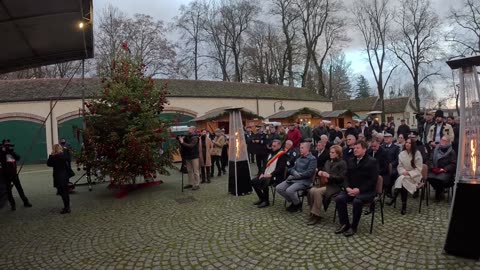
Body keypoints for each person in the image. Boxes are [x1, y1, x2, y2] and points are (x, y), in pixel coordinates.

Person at [334, 141, 379, 237]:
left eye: (357, 148)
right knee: (339, 198)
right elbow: (345, 177)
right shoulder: (351, 160)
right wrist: (347, 188)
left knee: (357, 201)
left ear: (364, 149)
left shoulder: (372, 162)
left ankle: (353, 227)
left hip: (366, 191)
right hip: (351, 189)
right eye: (354, 148)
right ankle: (345, 224)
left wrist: (359, 190)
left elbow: (373, 181)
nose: (355, 150)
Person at [307, 145, 347, 225]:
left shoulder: (342, 163)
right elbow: (323, 170)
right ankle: (313, 212)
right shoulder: (328, 162)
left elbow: (342, 177)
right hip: (325, 183)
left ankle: (316, 215)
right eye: (330, 152)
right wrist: (320, 172)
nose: (330, 154)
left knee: (317, 192)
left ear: (338, 154)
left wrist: (329, 176)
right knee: (311, 190)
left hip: (335, 186)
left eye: (332, 152)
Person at [276, 142, 317, 212]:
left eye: (302, 148)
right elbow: (291, 169)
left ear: (307, 149)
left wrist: (299, 175)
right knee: (279, 188)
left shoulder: (312, 159)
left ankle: (296, 204)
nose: (300, 149)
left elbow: (310, 172)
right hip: (294, 178)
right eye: (300, 148)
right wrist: (294, 172)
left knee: (289, 190)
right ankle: (295, 202)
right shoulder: (299, 157)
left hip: (304, 180)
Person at [387, 138, 423, 214]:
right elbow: (399, 166)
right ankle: (403, 206)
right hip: (404, 175)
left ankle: (394, 197)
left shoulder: (417, 154)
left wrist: (409, 173)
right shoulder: (402, 154)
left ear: (412, 145)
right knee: (403, 181)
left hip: (415, 176)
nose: (407, 144)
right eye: (406, 142)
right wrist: (403, 172)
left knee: (402, 180)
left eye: (410, 143)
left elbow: (419, 169)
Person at [251, 139, 288, 208]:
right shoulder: (271, 153)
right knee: (253, 181)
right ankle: (262, 198)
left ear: (279, 145)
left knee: (264, 181)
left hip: (276, 176)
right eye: (272, 146)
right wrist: (261, 173)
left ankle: (266, 201)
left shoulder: (282, 155)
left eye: (274, 146)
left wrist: (271, 174)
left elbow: (280, 169)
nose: (272, 147)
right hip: (266, 174)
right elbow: (264, 165)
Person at [0, 139, 32, 211]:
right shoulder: (1, 152)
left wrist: (11, 152)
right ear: (3, 145)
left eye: (8, 144)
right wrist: (4, 151)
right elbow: (1, 158)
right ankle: (13, 205)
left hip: (14, 174)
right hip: (5, 175)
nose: (8, 146)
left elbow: (18, 158)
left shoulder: (11, 152)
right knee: (8, 191)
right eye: (6, 145)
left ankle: (25, 202)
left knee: (20, 189)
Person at [428, 136, 456, 201]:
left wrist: (445, 169)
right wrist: (432, 167)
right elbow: (430, 160)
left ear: (448, 142)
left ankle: (438, 193)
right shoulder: (435, 149)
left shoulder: (451, 152)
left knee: (439, 179)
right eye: (442, 140)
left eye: (444, 141)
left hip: (445, 171)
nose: (442, 142)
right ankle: (440, 190)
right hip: (435, 169)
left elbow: (453, 164)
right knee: (429, 177)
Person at [47, 144, 72, 214]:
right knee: (65, 192)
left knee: (63, 192)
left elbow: (49, 164)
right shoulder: (63, 155)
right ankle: (67, 206)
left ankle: (67, 207)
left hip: (59, 176)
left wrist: (51, 155)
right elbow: (68, 158)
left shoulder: (55, 157)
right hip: (65, 176)